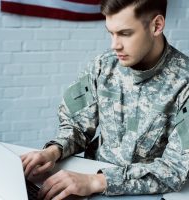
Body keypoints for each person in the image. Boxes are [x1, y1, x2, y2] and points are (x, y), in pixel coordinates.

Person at [21, 0, 189, 199]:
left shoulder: (184, 82)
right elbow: (76, 126)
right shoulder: (103, 66)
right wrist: (53, 151)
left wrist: (95, 181)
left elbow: (175, 169)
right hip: (88, 185)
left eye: (125, 33)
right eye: (111, 33)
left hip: (145, 193)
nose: (115, 45)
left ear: (156, 25)